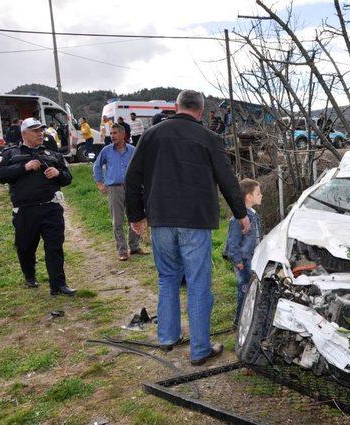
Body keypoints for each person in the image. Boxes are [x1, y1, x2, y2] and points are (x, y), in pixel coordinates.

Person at [125, 89, 249, 366]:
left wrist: (136, 215)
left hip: (160, 219)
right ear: (201, 111)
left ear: (176, 107)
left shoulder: (151, 135)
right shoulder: (210, 138)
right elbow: (227, 179)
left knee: (167, 278)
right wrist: (241, 213)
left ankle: (168, 338)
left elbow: (132, 176)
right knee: (197, 282)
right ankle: (200, 349)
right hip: (195, 220)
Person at [0, 118, 76, 296]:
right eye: (35, 130)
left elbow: (68, 177)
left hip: (51, 208)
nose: (40, 134)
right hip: (25, 211)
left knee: (54, 247)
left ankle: (58, 285)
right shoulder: (11, 153)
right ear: (24, 133)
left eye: (41, 130)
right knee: (25, 247)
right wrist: (24, 167)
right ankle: (29, 275)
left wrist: (58, 173)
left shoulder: (52, 153)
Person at [93, 124, 146, 261]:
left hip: (132, 189)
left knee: (135, 217)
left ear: (123, 135)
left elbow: (141, 167)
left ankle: (134, 246)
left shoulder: (133, 150)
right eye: (111, 133)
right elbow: (97, 166)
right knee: (117, 220)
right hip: (114, 189)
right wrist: (100, 183)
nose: (112, 136)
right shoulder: (106, 150)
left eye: (115, 133)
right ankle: (122, 250)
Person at [224, 179, 262, 327]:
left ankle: (248, 317)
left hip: (252, 259)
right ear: (249, 197)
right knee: (244, 290)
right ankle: (239, 321)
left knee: (252, 290)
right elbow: (232, 243)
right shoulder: (238, 218)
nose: (261, 195)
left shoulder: (253, 214)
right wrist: (238, 261)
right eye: (258, 193)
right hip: (244, 262)